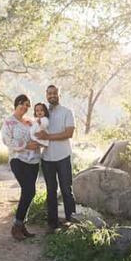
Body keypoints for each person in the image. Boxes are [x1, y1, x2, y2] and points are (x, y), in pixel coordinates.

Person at [37, 84, 78, 232]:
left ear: (59, 95)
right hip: (47, 158)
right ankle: (52, 224)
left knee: (67, 190)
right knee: (51, 191)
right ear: (46, 95)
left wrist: (48, 137)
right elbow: (37, 132)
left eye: (55, 93)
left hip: (63, 156)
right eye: (49, 94)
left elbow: (68, 133)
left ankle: (72, 223)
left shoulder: (68, 112)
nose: (52, 96)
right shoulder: (42, 114)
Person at [1, 94, 41, 241]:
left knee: (30, 192)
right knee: (28, 190)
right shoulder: (9, 121)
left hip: (34, 161)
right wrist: (25, 146)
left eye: (27, 105)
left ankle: (22, 223)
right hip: (18, 160)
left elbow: (38, 133)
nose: (24, 107)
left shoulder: (29, 122)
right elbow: (6, 140)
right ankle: (16, 226)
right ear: (16, 104)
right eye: (22, 104)